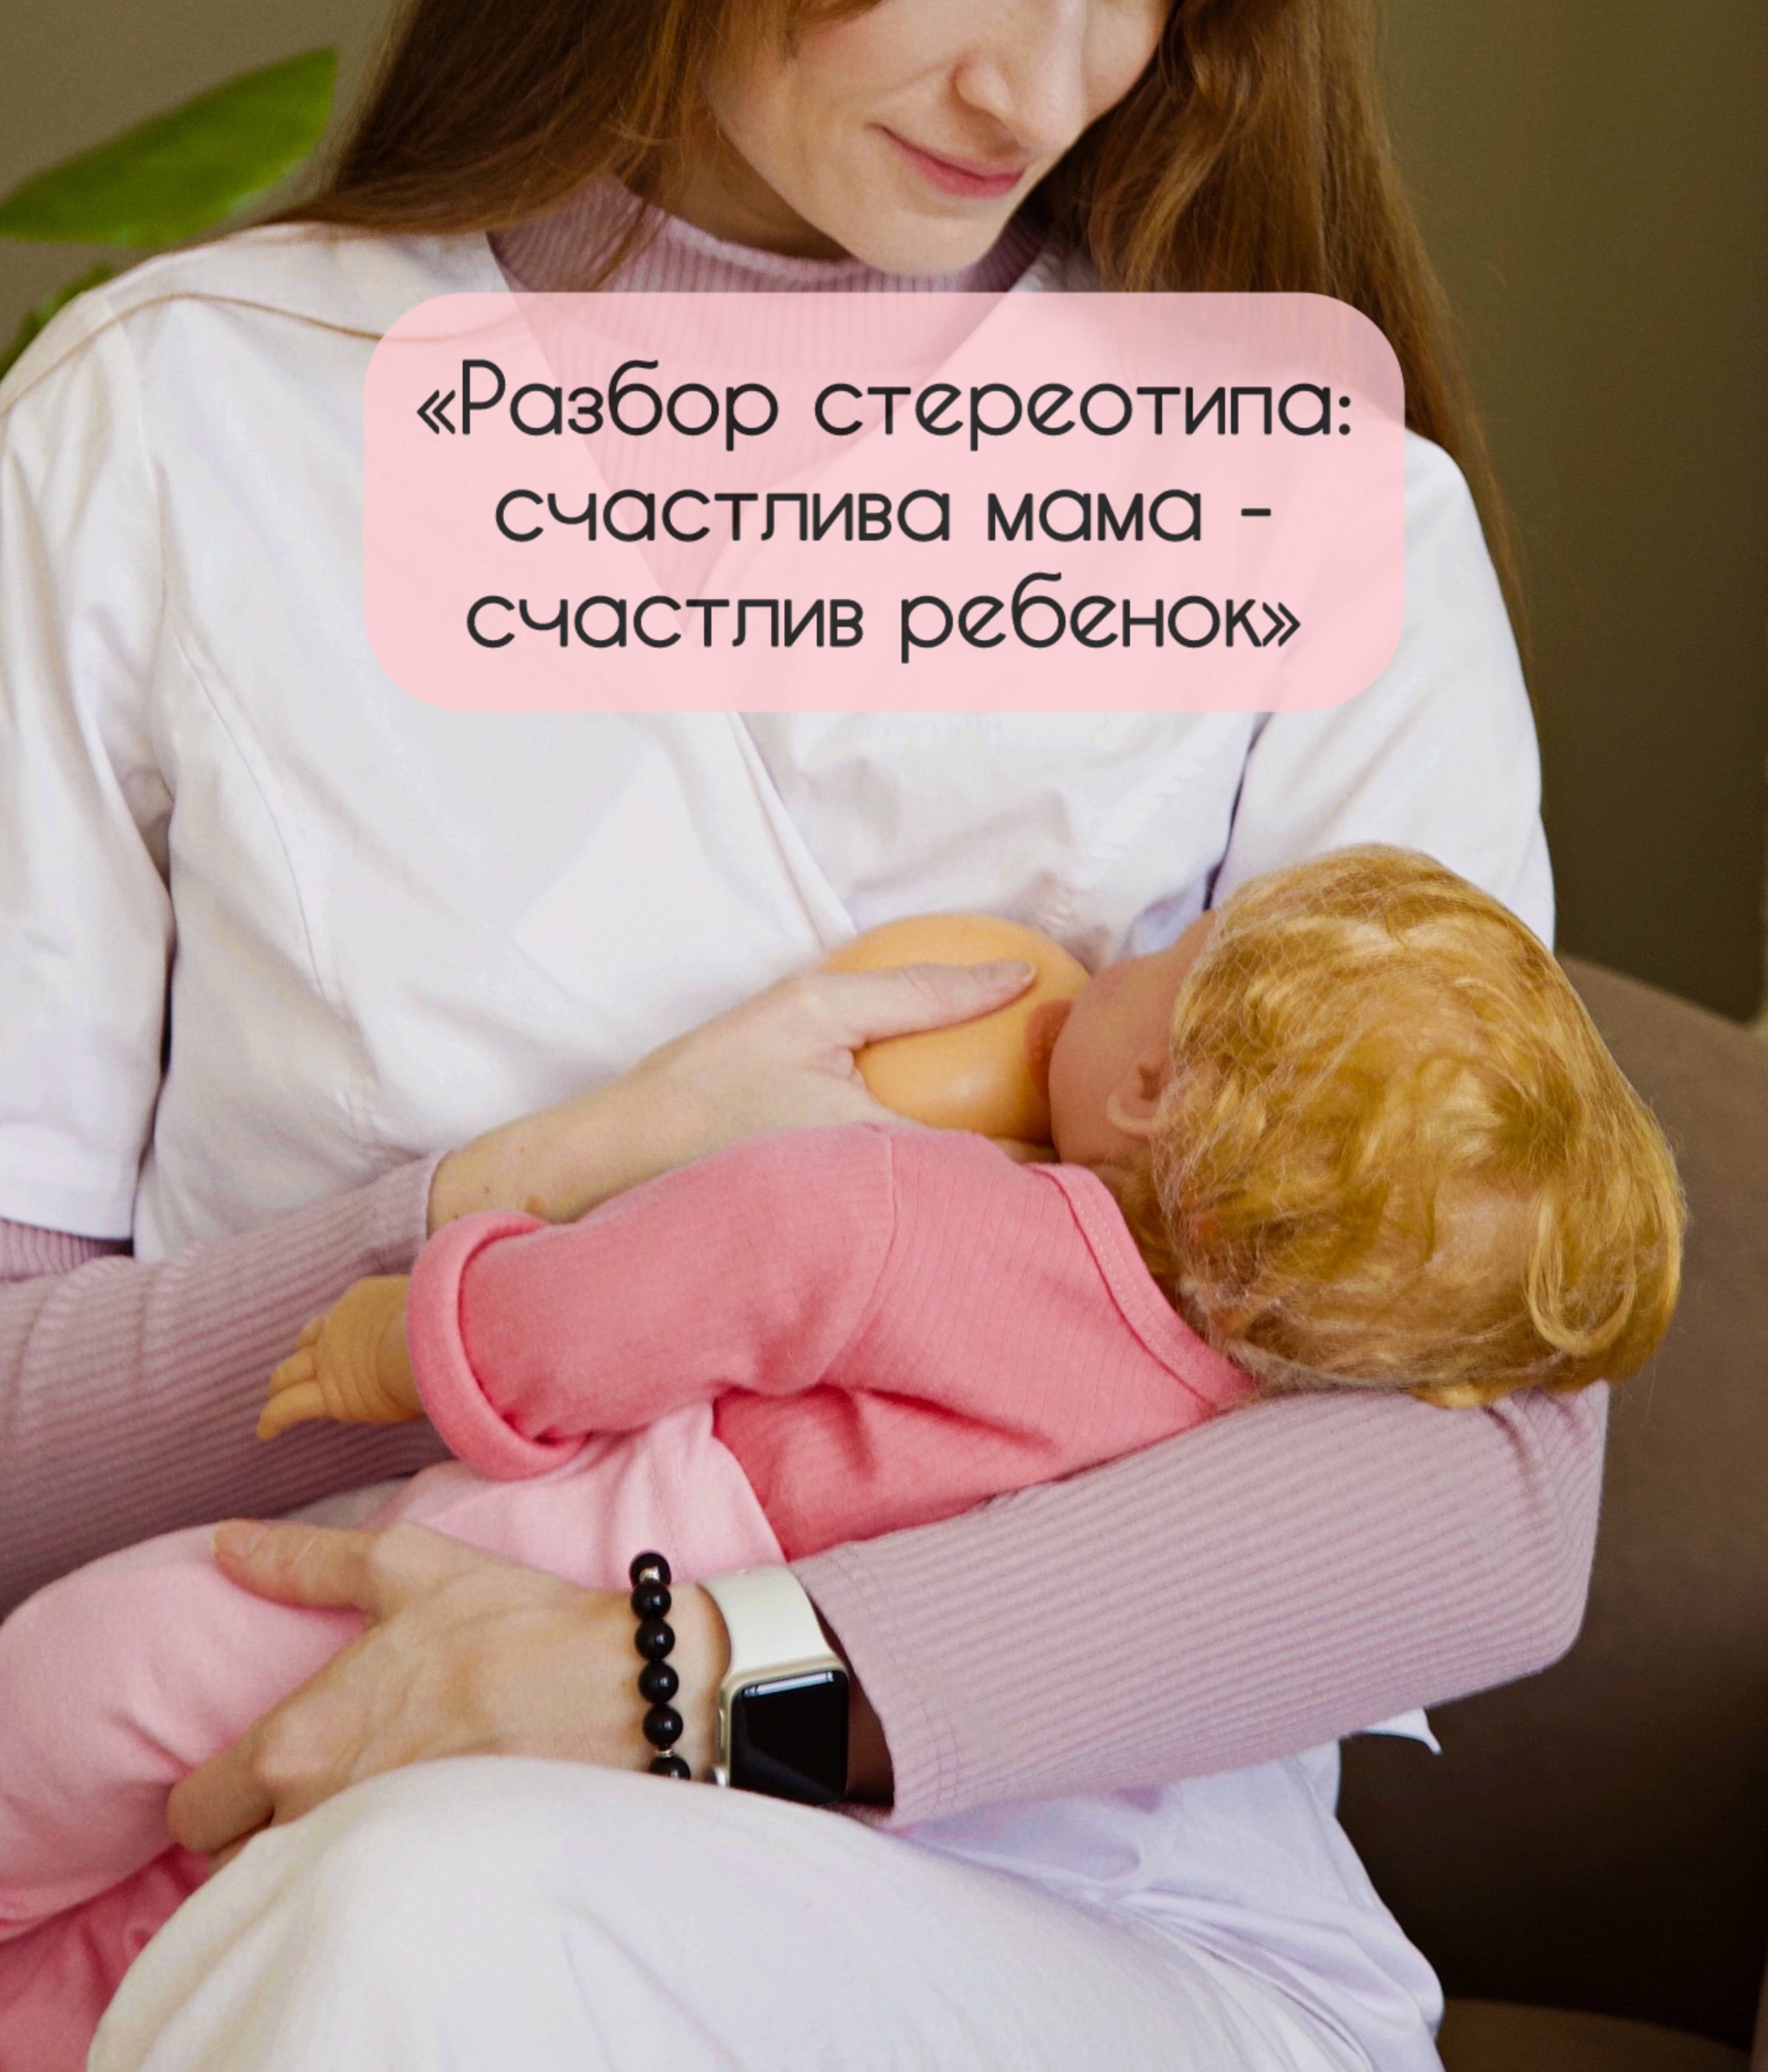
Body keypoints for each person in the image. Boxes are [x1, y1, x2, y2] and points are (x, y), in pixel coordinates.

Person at [0, 0, 1602, 2071]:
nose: (1047, 79)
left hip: (1090, 1942)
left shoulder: (1318, 514)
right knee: (394, 1909)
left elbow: (1482, 1489)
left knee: (441, 1912)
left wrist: (682, 1688)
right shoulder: (175, 434)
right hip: (250, 1855)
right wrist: (523, 1198)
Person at [0, 847, 1681, 2030]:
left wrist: (415, 1331)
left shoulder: (910, 1211)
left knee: (113, 1674)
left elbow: (606, 1315)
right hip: (830, 1810)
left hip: (563, 1577)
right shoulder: (1250, 1381)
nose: (1113, 950)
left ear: (1154, 1088)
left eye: (1175, 945)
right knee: (239, 1907)